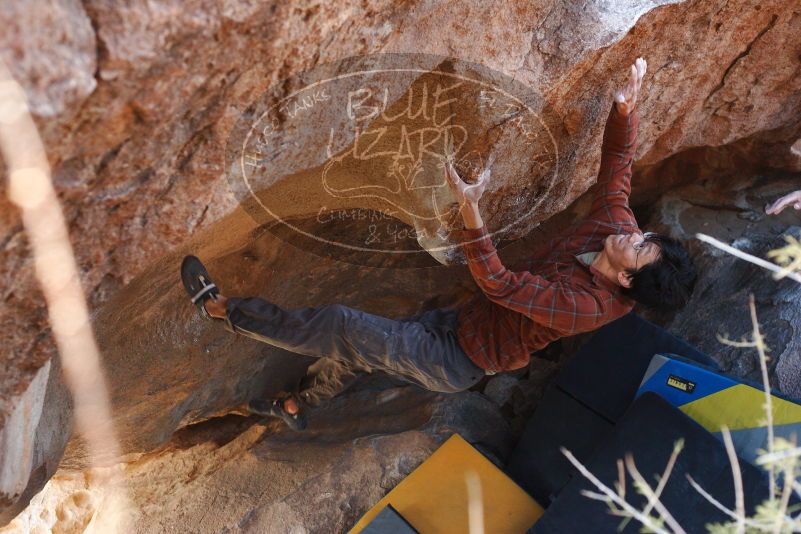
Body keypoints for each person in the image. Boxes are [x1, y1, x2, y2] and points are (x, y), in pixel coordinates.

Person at [180, 57, 697, 431]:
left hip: (456, 359)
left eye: (639, 247)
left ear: (626, 278)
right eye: (644, 235)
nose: (633, 234)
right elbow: (618, 172)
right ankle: (295, 406)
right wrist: (625, 111)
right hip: (457, 322)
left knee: (342, 325)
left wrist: (471, 213)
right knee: (358, 354)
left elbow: (500, 284)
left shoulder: (584, 308)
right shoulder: (616, 227)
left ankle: (225, 311)